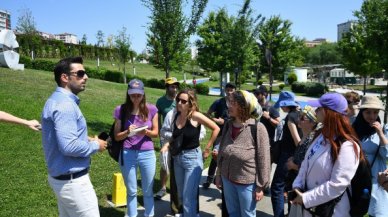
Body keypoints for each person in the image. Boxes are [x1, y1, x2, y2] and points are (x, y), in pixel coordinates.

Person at [41, 56, 107, 217]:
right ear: (65, 77)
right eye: (80, 73)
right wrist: (96, 145)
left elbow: (62, 137)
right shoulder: (65, 105)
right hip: (73, 184)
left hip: (63, 180)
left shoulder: (56, 100)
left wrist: (87, 139)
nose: (86, 77)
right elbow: (69, 146)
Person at [291, 92, 361, 217]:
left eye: (319, 108)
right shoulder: (321, 135)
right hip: (310, 208)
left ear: (329, 113)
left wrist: (306, 198)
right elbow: (306, 162)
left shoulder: (347, 146)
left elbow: (338, 184)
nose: (316, 110)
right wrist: (297, 186)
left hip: (332, 211)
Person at [160, 88, 220, 217]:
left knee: (188, 198)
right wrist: (167, 144)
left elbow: (216, 128)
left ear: (190, 103)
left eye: (183, 101)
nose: (179, 103)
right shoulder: (176, 115)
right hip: (178, 159)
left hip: (192, 158)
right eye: (178, 100)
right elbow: (176, 136)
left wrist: (208, 148)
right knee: (181, 195)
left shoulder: (195, 116)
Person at [215, 90, 271, 217]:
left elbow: (264, 159)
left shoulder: (257, 128)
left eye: (233, 103)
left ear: (244, 106)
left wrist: (260, 186)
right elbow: (222, 153)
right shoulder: (228, 125)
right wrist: (218, 174)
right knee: (233, 213)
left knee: (247, 214)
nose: (229, 105)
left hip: (246, 184)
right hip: (227, 179)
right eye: (229, 102)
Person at [113, 79, 159, 217]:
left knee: (148, 190)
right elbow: (116, 137)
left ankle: (149, 215)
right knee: (131, 190)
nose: (136, 98)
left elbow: (156, 133)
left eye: (139, 95)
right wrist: (128, 132)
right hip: (128, 153)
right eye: (133, 95)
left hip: (147, 153)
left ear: (143, 94)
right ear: (128, 94)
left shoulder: (151, 109)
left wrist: (146, 132)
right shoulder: (120, 110)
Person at [352, 95, 388, 216]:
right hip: (358, 178)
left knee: (378, 212)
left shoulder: (383, 130)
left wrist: (381, 134)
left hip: (376, 180)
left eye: (375, 112)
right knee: (356, 210)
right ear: (362, 112)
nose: (372, 116)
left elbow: (387, 155)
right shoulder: (354, 129)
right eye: (368, 112)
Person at [271, 91, 302, 217]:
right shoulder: (300, 114)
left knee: (277, 188)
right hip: (297, 158)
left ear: (285, 105)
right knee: (292, 187)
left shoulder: (290, 118)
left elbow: (297, 141)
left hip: (288, 156)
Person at [203, 82, 236, 189]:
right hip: (219, 134)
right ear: (225, 90)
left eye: (232, 90)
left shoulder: (236, 104)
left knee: (229, 156)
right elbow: (208, 114)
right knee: (215, 155)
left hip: (232, 134)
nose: (229, 92)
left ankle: (226, 178)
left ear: (235, 91)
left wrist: (225, 121)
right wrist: (215, 120)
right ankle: (209, 179)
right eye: (228, 90)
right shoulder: (219, 102)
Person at [285, 106, 321, 192]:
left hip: (303, 186)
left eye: (302, 118)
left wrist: (293, 166)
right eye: (299, 116)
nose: (298, 119)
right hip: (295, 182)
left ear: (312, 123)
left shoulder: (311, 140)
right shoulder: (304, 138)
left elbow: (311, 167)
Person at [155, 77, 180, 201]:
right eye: (172, 86)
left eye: (176, 86)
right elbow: (157, 119)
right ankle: (163, 188)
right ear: (167, 87)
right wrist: (160, 134)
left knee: (178, 162)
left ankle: (176, 187)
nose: (174, 88)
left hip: (179, 136)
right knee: (165, 163)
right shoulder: (160, 101)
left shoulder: (180, 100)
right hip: (166, 135)